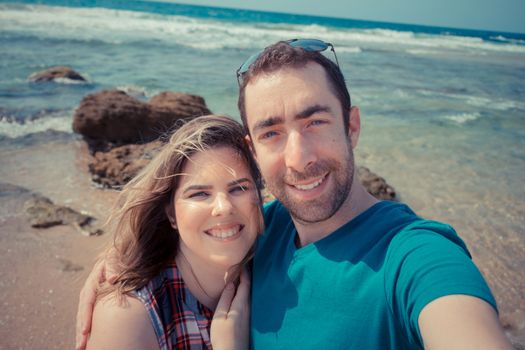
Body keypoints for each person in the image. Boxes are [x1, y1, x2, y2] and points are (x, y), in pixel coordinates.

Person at [78, 39, 513, 349]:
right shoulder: (261, 231)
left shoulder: (415, 257)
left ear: (352, 126)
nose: (298, 158)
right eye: (271, 132)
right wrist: (117, 259)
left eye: (315, 122)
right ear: (253, 149)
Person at [84, 115, 263, 350]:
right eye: (199, 194)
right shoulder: (129, 315)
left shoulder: (277, 258)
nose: (224, 208)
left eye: (239, 188)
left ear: (259, 197)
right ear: (171, 214)